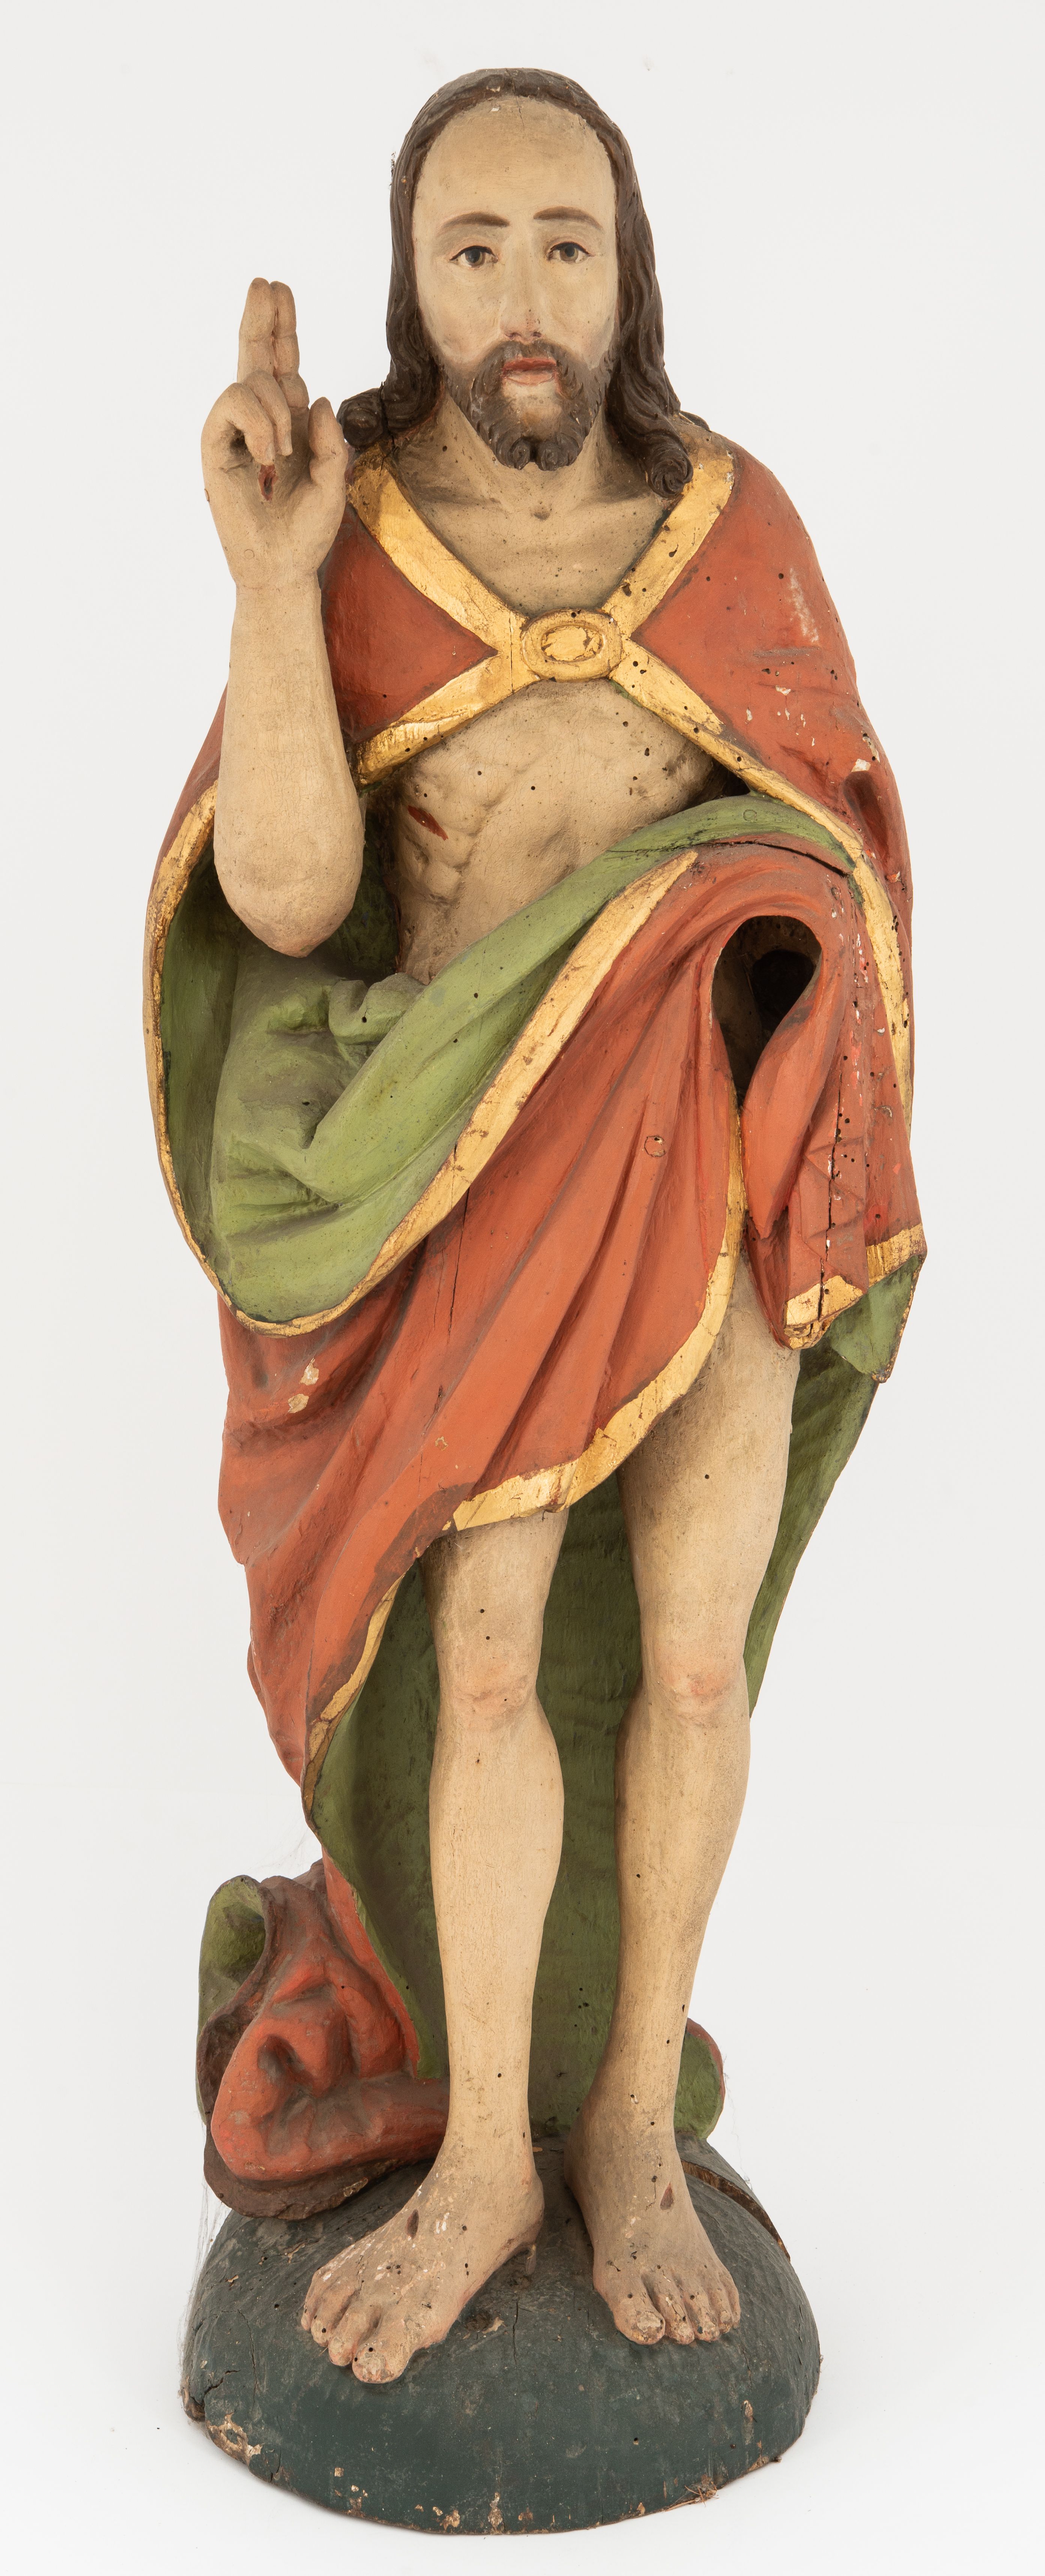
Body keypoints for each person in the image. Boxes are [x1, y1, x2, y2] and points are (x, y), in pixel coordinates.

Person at [146, 66, 922, 2386]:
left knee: (692, 1660)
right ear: (411, 277)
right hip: (476, 1195)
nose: (520, 295)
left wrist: (754, 920)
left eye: (563, 245)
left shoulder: (736, 528)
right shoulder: (360, 532)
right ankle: (482, 2144)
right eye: (471, 248)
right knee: (483, 1660)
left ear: (626, 269)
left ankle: (625, 2127)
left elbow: (843, 850)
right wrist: (270, 587)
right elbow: (294, 898)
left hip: (705, 1188)